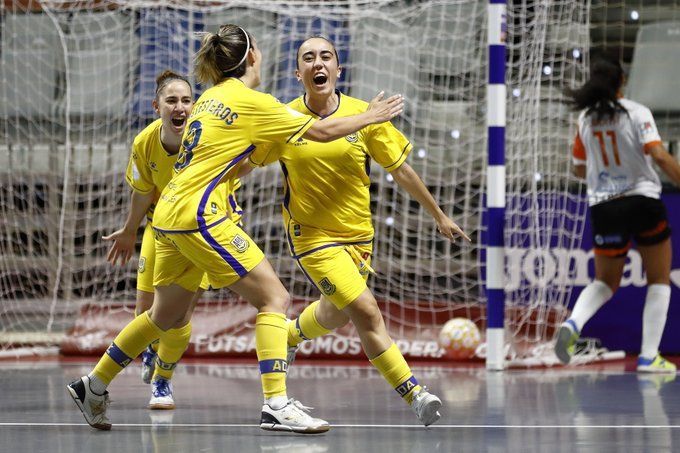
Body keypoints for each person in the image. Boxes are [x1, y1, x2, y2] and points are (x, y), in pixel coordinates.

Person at [67, 24, 404, 433]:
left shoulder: (209, 98)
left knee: (164, 314)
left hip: (168, 215)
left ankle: (94, 383)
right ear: (250, 58)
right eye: (258, 49)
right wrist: (372, 116)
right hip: (201, 215)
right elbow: (318, 130)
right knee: (274, 299)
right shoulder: (252, 101)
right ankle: (276, 403)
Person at [244, 36, 470, 426]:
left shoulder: (363, 114)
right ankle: (414, 392)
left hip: (359, 238)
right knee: (366, 311)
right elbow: (247, 162)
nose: (319, 63)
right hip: (312, 238)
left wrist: (439, 215)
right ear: (298, 73)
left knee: (335, 315)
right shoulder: (285, 119)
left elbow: (400, 169)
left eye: (326, 57)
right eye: (309, 58)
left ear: (337, 69)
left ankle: (292, 335)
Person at [101, 70, 244, 410]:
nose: (180, 107)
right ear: (157, 106)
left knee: (178, 316)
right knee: (145, 312)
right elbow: (142, 191)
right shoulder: (144, 143)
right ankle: (148, 352)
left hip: (200, 229)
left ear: (194, 106)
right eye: (172, 101)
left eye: (186, 100)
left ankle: (163, 381)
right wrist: (130, 228)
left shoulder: (209, 138)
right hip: (159, 227)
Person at [554, 56, 680, 372]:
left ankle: (573, 323)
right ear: (622, 81)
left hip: (605, 206)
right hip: (642, 201)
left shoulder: (585, 119)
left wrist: (604, 168)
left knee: (605, 282)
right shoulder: (637, 113)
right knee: (659, 279)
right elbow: (660, 157)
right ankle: (650, 357)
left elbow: (579, 170)